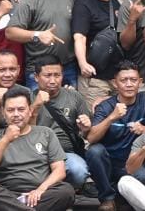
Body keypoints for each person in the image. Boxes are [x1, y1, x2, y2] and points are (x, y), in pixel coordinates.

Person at [0, 87, 76, 211]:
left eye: (21, 109)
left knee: (66, 191)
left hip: (40, 194)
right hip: (8, 195)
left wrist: (40, 190)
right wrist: (5, 140)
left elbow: (59, 170)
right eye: (10, 110)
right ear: (3, 113)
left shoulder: (46, 133)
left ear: (30, 111)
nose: (16, 114)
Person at [85, 62, 145, 211]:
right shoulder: (106, 106)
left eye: (133, 80)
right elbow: (91, 138)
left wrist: (144, 128)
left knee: (143, 177)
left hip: (134, 161)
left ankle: (120, 197)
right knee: (94, 151)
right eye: (124, 80)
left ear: (140, 82)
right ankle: (107, 199)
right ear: (115, 83)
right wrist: (111, 117)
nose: (129, 84)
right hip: (108, 162)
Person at [21, 57, 93, 191]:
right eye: (47, 76)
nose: (53, 81)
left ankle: (67, 194)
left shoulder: (74, 96)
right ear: (36, 77)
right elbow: (24, 133)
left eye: (57, 75)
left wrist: (86, 128)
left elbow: (87, 134)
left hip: (66, 153)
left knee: (79, 171)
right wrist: (35, 107)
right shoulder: (27, 99)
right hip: (35, 153)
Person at [7, 0, 80, 84]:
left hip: (67, 67)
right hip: (39, 70)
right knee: (39, 99)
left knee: (70, 98)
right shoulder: (29, 0)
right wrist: (37, 35)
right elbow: (10, 32)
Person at [71, 0, 124, 103]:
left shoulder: (114, 2)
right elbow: (79, 37)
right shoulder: (83, 4)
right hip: (93, 79)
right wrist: (82, 63)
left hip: (114, 77)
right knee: (94, 116)